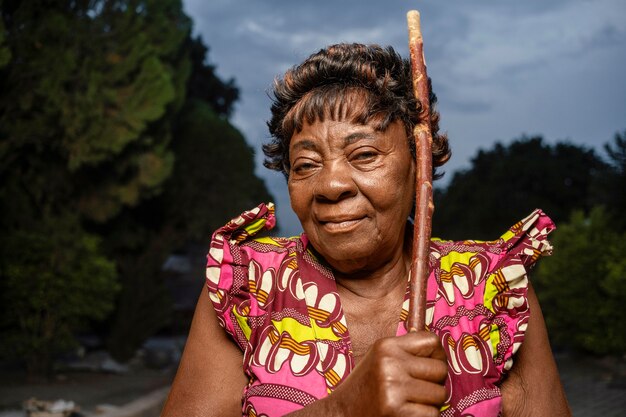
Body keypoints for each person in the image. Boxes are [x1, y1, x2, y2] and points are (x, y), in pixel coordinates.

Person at [161, 43, 571, 417]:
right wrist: (343, 409)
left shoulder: (491, 290)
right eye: (305, 165)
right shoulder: (247, 287)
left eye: (364, 154)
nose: (330, 185)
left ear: (417, 167)